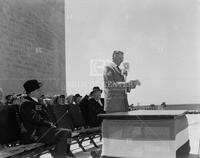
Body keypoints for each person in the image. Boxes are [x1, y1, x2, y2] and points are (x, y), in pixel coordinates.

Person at [20, 79, 74, 158]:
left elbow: (45, 117)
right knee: (65, 133)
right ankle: (61, 155)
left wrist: (49, 124)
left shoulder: (37, 102)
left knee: (68, 132)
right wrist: (49, 124)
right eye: (38, 89)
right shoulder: (26, 104)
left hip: (44, 131)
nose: (40, 91)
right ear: (32, 92)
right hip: (34, 134)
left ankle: (64, 152)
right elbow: (35, 118)